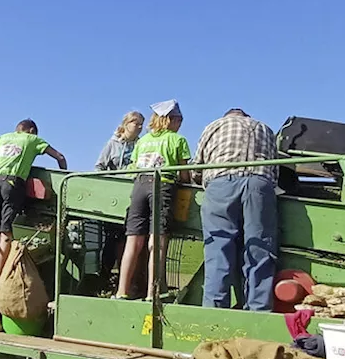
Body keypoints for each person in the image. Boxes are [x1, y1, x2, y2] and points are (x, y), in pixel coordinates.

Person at [193, 108, 280, 310]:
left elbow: (197, 167)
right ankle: (259, 310)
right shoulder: (265, 128)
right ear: (246, 117)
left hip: (221, 184)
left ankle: (215, 310)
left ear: (227, 116)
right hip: (260, 185)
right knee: (259, 248)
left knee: (218, 247)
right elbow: (275, 171)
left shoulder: (214, 126)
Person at [0, 120, 67, 296]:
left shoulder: (2, 138)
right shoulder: (32, 140)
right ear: (31, 131)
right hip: (13, 184)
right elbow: (59, 156)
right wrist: (63, 178)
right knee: (6, 231)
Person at [116, 100, 190, 299]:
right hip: (162, 185)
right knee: (157, 240)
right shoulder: (177, 140)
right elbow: (184, 174)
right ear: (169, 120)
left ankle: (121, 290)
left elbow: (132, 168)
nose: (180, 123)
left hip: (139, 185)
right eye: (178, 119)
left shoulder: (143, 141)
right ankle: (153, 292)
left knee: (133, 239)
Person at [94, 111, 144, 281]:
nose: (139, 127)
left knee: (128, 237)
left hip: (133, 194)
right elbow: (99, 166)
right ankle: (105, 274)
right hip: (113, 195)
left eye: (141, 124)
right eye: (136, 123)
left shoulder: (141, 145)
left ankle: (126, 278)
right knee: (111, 238)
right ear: (127, 124)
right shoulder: (113, 144)